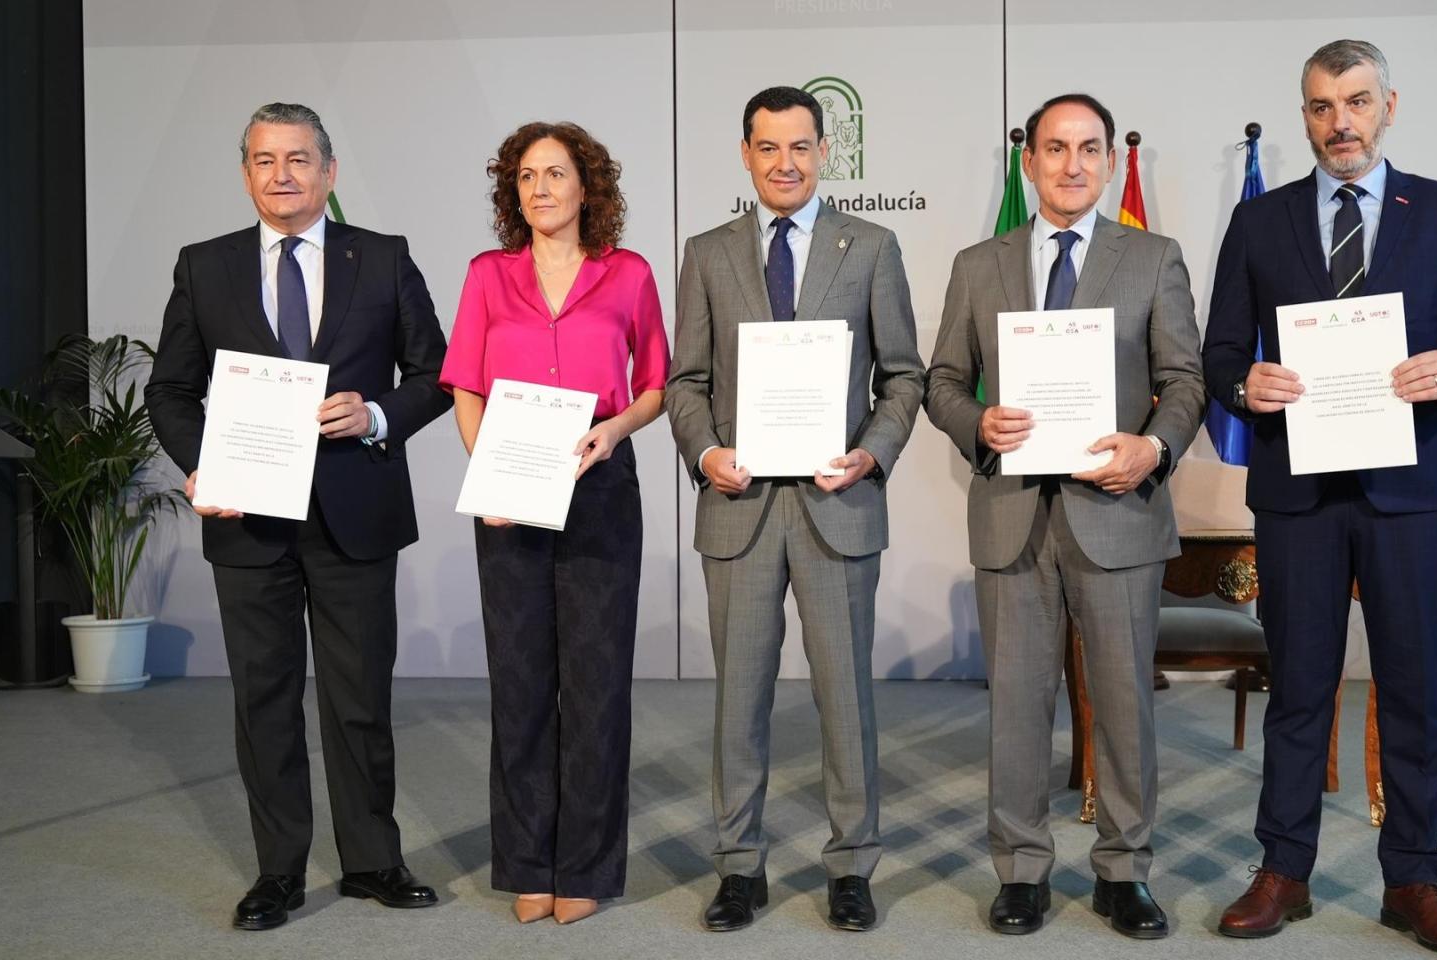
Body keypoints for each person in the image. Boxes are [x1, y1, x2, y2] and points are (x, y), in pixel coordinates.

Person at [1201, 40, 1437, 956]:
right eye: (1319, 106)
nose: (1338, 122)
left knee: (1413, 692)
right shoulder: (1260, 222)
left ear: (1388, 106)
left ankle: (1414, 879)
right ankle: (1284, 871)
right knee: (1299, 691)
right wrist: (1242, 385)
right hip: (1297, 494)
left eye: (1355, 101)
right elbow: (1223, 351)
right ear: (1304, 116)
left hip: (1411, 491)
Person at [146, 102, 451, 931]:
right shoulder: (204, 266)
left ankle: (372, 861)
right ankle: (278, 871)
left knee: (359, 697)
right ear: (246, 171)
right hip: (249, 518)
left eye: (299, 159)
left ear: (330, 171)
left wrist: (378, 415)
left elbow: (436, 373)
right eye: (264, 160)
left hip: (356, 508)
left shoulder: (383, 259)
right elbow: (169, 390)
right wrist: (201, 465)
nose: (282, 174)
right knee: (264, 699)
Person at [925, 93, 1205, 939]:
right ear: (1030, 161)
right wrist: (978, 423)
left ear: (1112, 160)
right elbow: (940, 380)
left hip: (1116, 512)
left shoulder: (1154, 258)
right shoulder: (980, 263)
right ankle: (1020, 873)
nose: (1072, 164)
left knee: (1125, 703)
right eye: (1055, 148)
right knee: (1015, 704)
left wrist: (1151, 448)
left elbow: (1186, 381)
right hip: (1013, 513)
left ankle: (1124, 871)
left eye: (1089, 148)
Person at [664, 85, 924, 933]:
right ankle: (740, 866)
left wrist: (872, 454)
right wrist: (705, 453)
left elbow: (905, 375)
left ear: (825, 153)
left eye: (801, 147)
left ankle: (851, 865)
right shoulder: (708, 252)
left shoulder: (872, 246)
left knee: (845, 697)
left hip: (835, 502)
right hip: (738, 508)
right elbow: (686, 381)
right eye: (768, 148)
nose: (785, 163)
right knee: (738, 699)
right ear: (746, 154)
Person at [438, 121, 669, 925]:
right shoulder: (487, 276)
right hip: (510, 492)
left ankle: (587, 866)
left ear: (587, 188)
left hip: (601, 487)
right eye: (526, 177)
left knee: (597, 685)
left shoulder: (628, 274)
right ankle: (529, 862)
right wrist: (489, 466)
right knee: (522, 682)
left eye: (556, 174)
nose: (540, 188)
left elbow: (655, 384)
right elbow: (464, 384)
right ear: (514, 193)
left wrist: (616, 429)